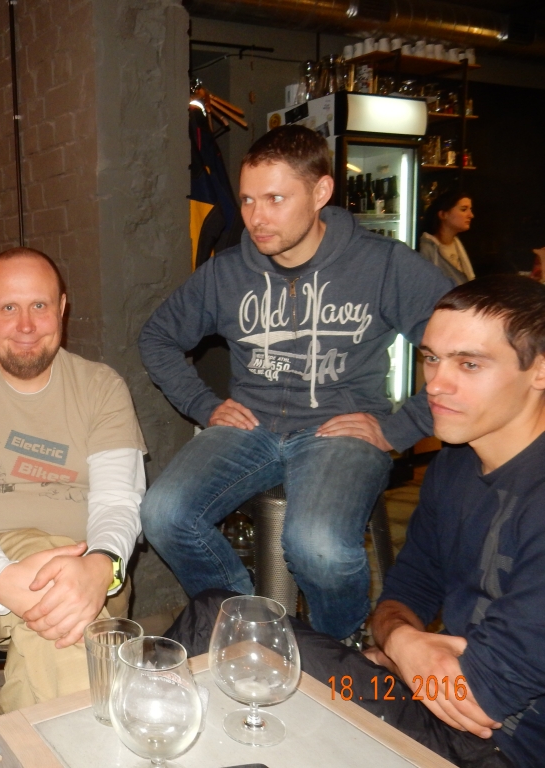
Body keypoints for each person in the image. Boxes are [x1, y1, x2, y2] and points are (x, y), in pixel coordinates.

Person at [166, 275, 545, 768]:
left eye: (469, 364)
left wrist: (403, 657)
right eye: (431, 358)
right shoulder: (456, 462)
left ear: (539, 369)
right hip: (425, 700)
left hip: (490, 750)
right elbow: (404, 594)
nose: (435, 384)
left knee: (217, 622)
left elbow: (476, 696)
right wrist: (404, 643)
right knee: (226, 623)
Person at [138, 125, 455, 642]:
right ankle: (251, 632)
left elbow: (465, 341)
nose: (256, 218)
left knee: (318, 546)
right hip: (251, 426)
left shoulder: (381, 264)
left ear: (320, 192)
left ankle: (336, 647)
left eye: (275, 199)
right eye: (247, 200)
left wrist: (400, 428)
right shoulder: (228, 272)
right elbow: (157, 337)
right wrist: (202, 404)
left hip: (341, 428)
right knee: (163, 513)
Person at [0, 247, 146, 712]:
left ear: (62, 308)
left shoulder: (102, 388)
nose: (25, 325)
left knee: (49, 628)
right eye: (8, 308)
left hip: (94, 576)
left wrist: (100, 565)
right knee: (58, 610)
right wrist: (1, 577)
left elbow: (118, 501)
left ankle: (23, 742)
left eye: (39, 305)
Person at [419, 190, 475, 285]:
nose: (471, 215)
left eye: (470, 210)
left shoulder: (460, 244)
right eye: (463, 209)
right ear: (443, 214)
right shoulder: (427, 249)